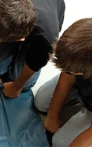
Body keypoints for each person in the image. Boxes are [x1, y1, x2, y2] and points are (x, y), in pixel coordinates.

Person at [34, 18, 92, 147]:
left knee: (59, 142)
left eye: (72, 70)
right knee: (41, 103)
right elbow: (68, 74)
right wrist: (52, 117)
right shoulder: (84, 39)